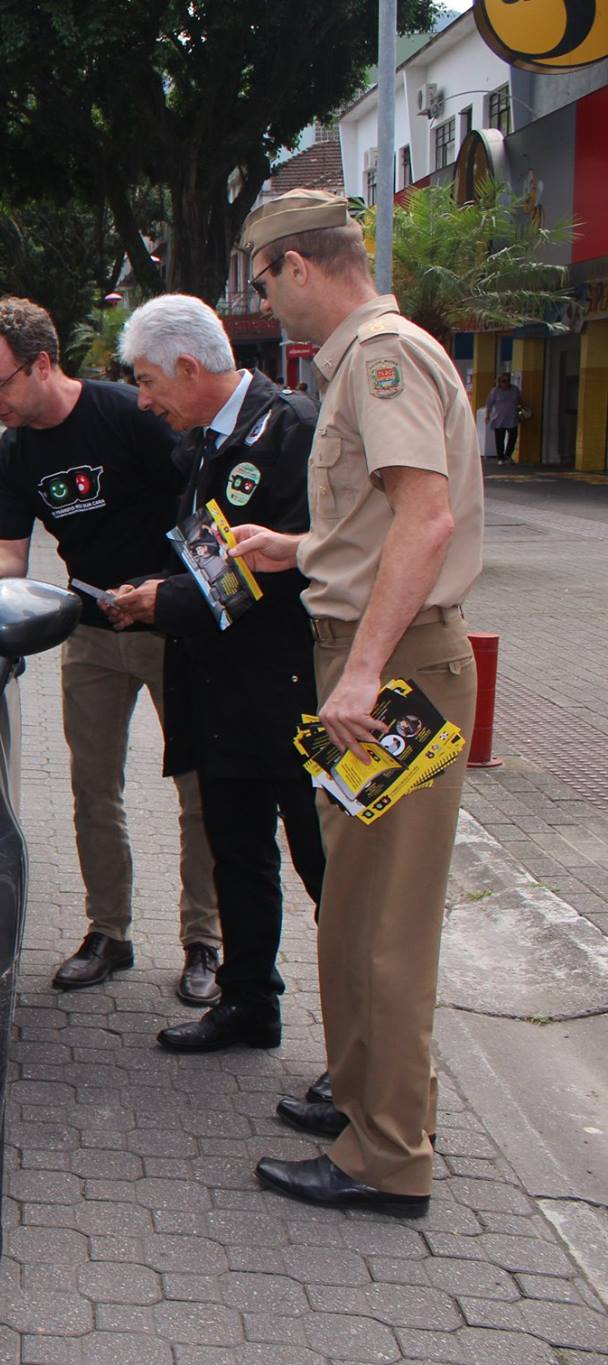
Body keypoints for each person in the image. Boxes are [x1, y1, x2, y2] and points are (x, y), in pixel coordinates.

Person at [228, 188, 483, 1216]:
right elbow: (383, 521)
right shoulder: (368, 361)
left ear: (296, 265)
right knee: (355, 917)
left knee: (381, 925)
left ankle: (386, 1158)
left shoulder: (378, 358)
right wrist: (300, 549)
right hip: (380, 666)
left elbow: (424, 522)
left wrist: (359, 669)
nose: (265, 301)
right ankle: (370, 1105)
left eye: (262, 281)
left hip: (390, 675)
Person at [0, 297, 220, 1003]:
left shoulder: (129, 415)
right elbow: (13, 551)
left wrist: (168, 591)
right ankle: (109, 931)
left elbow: (199, 512)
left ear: (42, 363)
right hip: (92, 632)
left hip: (172, 626)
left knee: (199, 788)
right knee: (93, 789)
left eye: (0, 383)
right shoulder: (12, 453)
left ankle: (205, 941)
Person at [106, 294, 326, 1056]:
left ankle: (364, 1055)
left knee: (330, 873)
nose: (143, 399)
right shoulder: (204, 439)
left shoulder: (290, 430)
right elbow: (206, 550)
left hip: (295, 694)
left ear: (189, 367)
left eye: (147, 380)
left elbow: (266, 572)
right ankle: (249, 1001)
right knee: (237, 854)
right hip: (224, 692)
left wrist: (158, 600)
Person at [487, 370, 521, 463]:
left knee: (513, 437)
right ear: (499, 382)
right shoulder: (495, 391)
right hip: (499, 418)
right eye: (504, 381)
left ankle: (508, 455)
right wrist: (487, 415)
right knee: (499, 439)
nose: (506, 383)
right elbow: (489, 404)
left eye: (508, 381)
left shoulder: (514, 389)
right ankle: (500, 458)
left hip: (512, 418)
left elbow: (519, 401)